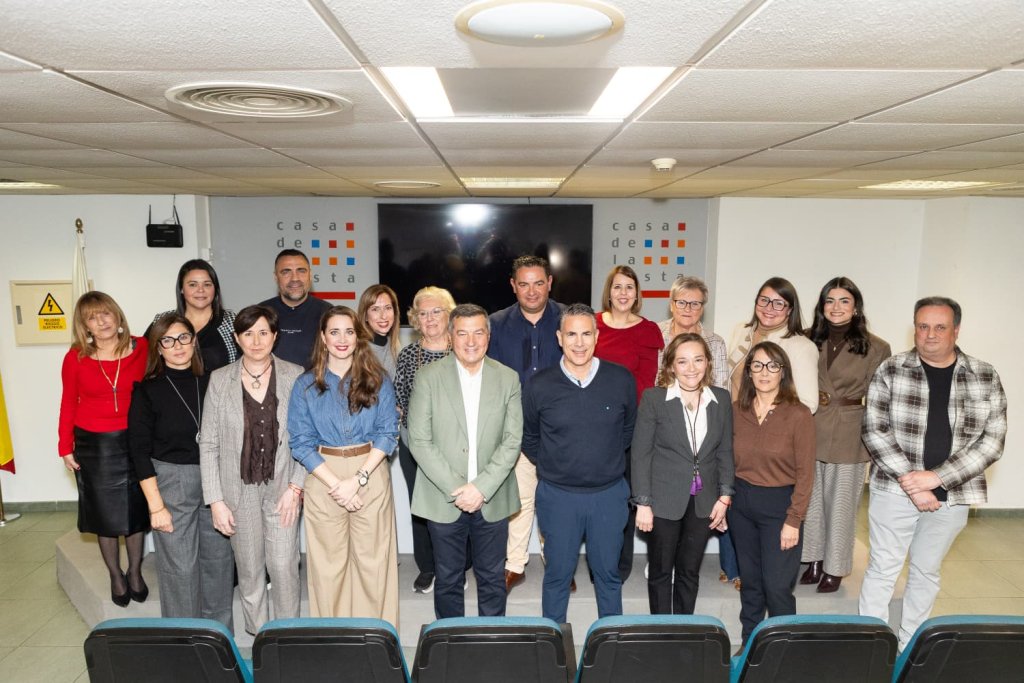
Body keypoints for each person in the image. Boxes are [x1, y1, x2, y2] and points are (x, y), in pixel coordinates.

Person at [859, 297, 1006, 651]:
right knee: (882, 570)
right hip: (894, 490)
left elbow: (993, 441)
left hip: (953, 495)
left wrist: (937, 478)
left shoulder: (984, 375)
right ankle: (869, 649)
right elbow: (874, 430)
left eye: (940, 327)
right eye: (922, 326)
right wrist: (913, 482)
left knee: (926, 572)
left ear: (956, 330)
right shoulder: (891, 370)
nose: (930, 335)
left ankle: (911, 647)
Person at [524, 304, 637, 624]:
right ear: (559, 338)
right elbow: (530, 437)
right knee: (557, 577)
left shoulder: (620, 379)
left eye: (586, 333)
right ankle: (554, 651)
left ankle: (611, 651)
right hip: (558, 497)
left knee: (608, 577)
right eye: (571, 334)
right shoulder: (539, 384)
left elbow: (628, 431)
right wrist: (557, 466)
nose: (579, 342)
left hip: (608, 496)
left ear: (597, 336)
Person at [408, 304, 523, 618]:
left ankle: (492, 643)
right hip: (443, 497)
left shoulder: (508, 378)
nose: (470, 341)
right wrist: (459, 488)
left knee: (491, 577)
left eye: (478, 332)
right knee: (448, 578)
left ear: (488, 336)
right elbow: (419, 440)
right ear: (449, 336)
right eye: (462, 333)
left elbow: (512, 440)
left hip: (492, 496)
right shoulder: (428, 377)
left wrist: (481, 488)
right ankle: (449, 646)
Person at [288, 306, 400, 623]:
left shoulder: (379, 381)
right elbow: (300, 441)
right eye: (334, 332)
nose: (342, 339)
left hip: (371, 472)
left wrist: (358, 479)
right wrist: (337, 484)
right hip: (323, 475)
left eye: (349, 331)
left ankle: (375, 635)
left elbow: (388, 433)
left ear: (357, 337)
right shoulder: (305, 385)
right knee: (328, 564)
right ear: (323, 338)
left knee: (372, 562)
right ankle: (332, 636)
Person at [200, 304, 305, 635]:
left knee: (284, 565)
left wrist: (296, 487)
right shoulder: (220, 379)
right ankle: (260, 635)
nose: (256, 340)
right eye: (248, 333)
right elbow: (209, 444)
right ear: (237, 338)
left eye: (263, 332)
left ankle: (285, 635)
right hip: (237, 492)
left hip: (282, 490)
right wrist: (215, 500)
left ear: (275, 337)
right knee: (248, 569)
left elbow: (307, 438)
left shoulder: (296, 375)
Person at [127, 313, 233, 626]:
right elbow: (138, 450)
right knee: (181, 570)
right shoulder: (148, 390)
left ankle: (218, 640)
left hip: (216, 479)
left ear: (194, 340)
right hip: (172, 483)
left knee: (218, 564)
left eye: (184, 337)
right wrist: (155, 506)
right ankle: (187, 645)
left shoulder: (216, 380)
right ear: (158, 348)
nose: (178, 346)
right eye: (168, 340)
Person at [798, 277, 891, 593]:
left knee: (840, 505)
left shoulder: (876, 346)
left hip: (850, 430)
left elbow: (881, 400)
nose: (836, 307)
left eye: (844, 301)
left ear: (855, 307)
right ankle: (812, 559)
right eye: (830, 301)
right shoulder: (807, 339)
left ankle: (834, 567)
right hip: (810, 425)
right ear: (821, 306)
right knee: (809, 501)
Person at [59, 291, 150, 607]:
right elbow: (68, 400)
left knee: (136, 511)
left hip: (134, 440)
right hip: (93, 444)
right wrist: (64, 445)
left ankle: (135, 572)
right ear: (85, 327)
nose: (102, 321)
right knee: (105, 515)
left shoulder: (142, 348)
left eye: (106, 313)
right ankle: (115, 575)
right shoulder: (75, 358)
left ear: (117, 315)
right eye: (93, 318)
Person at [632, 333, 734, 614]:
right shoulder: (654, 399)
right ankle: (662, 631)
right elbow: (641, 453)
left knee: (689, 571)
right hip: (663, 499)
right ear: (671, 367)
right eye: (683, 361)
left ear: (708, 363)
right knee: (661, 571)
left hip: (705, 501)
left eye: (698, 360)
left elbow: (725, 450)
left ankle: (685, 627)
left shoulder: (722, 399)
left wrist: (725, 497)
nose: (692, 368)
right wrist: (643, 502)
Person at [487, 255, 565, 592]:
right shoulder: (496, 324)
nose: (531, 291)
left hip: (561, 429)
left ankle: (557, 564)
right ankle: (515, 564)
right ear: (513, 286)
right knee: (520, 500)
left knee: (556, 500)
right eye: (523, 284)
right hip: (515, 428)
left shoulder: (569, 319)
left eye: (538, 283)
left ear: (549, 282)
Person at [729, 342, 815, 645]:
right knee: (750, 583)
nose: (764, 372)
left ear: (783, 372)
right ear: (749, 371)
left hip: (780, 507)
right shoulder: (736, 411)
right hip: (740, 504)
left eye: (772, 365)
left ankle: (783, 649)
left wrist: (794, 520)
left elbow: (806, 473)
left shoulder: (798, 414)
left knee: (776, 585)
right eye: (757, 365)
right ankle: (750, 644)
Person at [657, 274, 736, 589]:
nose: (688, 308)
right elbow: (655, 383)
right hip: (667, 431)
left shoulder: (714, 342)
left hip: (702, 431)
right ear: (672, 303)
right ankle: (664, 562)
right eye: (682, 302)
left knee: (695, 508)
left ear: (703, 307)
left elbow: (720, 390)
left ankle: (684, 564)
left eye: (695, 303)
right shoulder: (655, 333)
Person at [594, 265, 664, 582]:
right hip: (593, 425)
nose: (623, 293)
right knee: (598, 498)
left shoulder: (648, 330)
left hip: (631, 426)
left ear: (637, 294)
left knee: (626, 498)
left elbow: (647, 384)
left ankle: (620, 565)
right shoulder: (592, 325)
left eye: (629, 287)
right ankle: (599, 561)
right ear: (609, 291)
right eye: (618, 287)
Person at [394, 286, 457, 593]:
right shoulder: (408, 356)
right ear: (415, 319)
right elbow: (401, 403)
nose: (430, 318)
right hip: (415, 447)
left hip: (459, 446)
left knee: (458, 505)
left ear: (450, 314)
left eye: (437, 311)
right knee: (420, 507)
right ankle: (428, 567)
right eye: (423, 313)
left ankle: (456, 567)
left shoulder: (464, 350)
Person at [727, 277, 818, 414]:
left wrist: (769, 421)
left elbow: (808, 404)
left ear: (789, 310)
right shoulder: (741, 331)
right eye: (764, 300)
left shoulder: (802, 346)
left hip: (770, 429)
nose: (769, 308)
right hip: (733, 422)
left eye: (779, 303)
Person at [151, 259, 239, 374]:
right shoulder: (163, 320)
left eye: (207, 284)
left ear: (215, 289)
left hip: (221, 390)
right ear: (181, 289)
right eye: (193, 285)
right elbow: (146, 360)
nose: (201, 290)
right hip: (171, 390)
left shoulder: (231, 322)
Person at [259, 249, 331, 368]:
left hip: (317, 386)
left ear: (310, 275)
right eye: (286, 272)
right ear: (276, 277)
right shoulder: (260, 314)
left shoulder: (329, 313)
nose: (295, 278)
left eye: (301, 271)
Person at [358, 284, 401, 379]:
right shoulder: (358, 350)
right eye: (375, 309)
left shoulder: (394, 344)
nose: (383, 316)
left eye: (388, 308)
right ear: (365, 315)